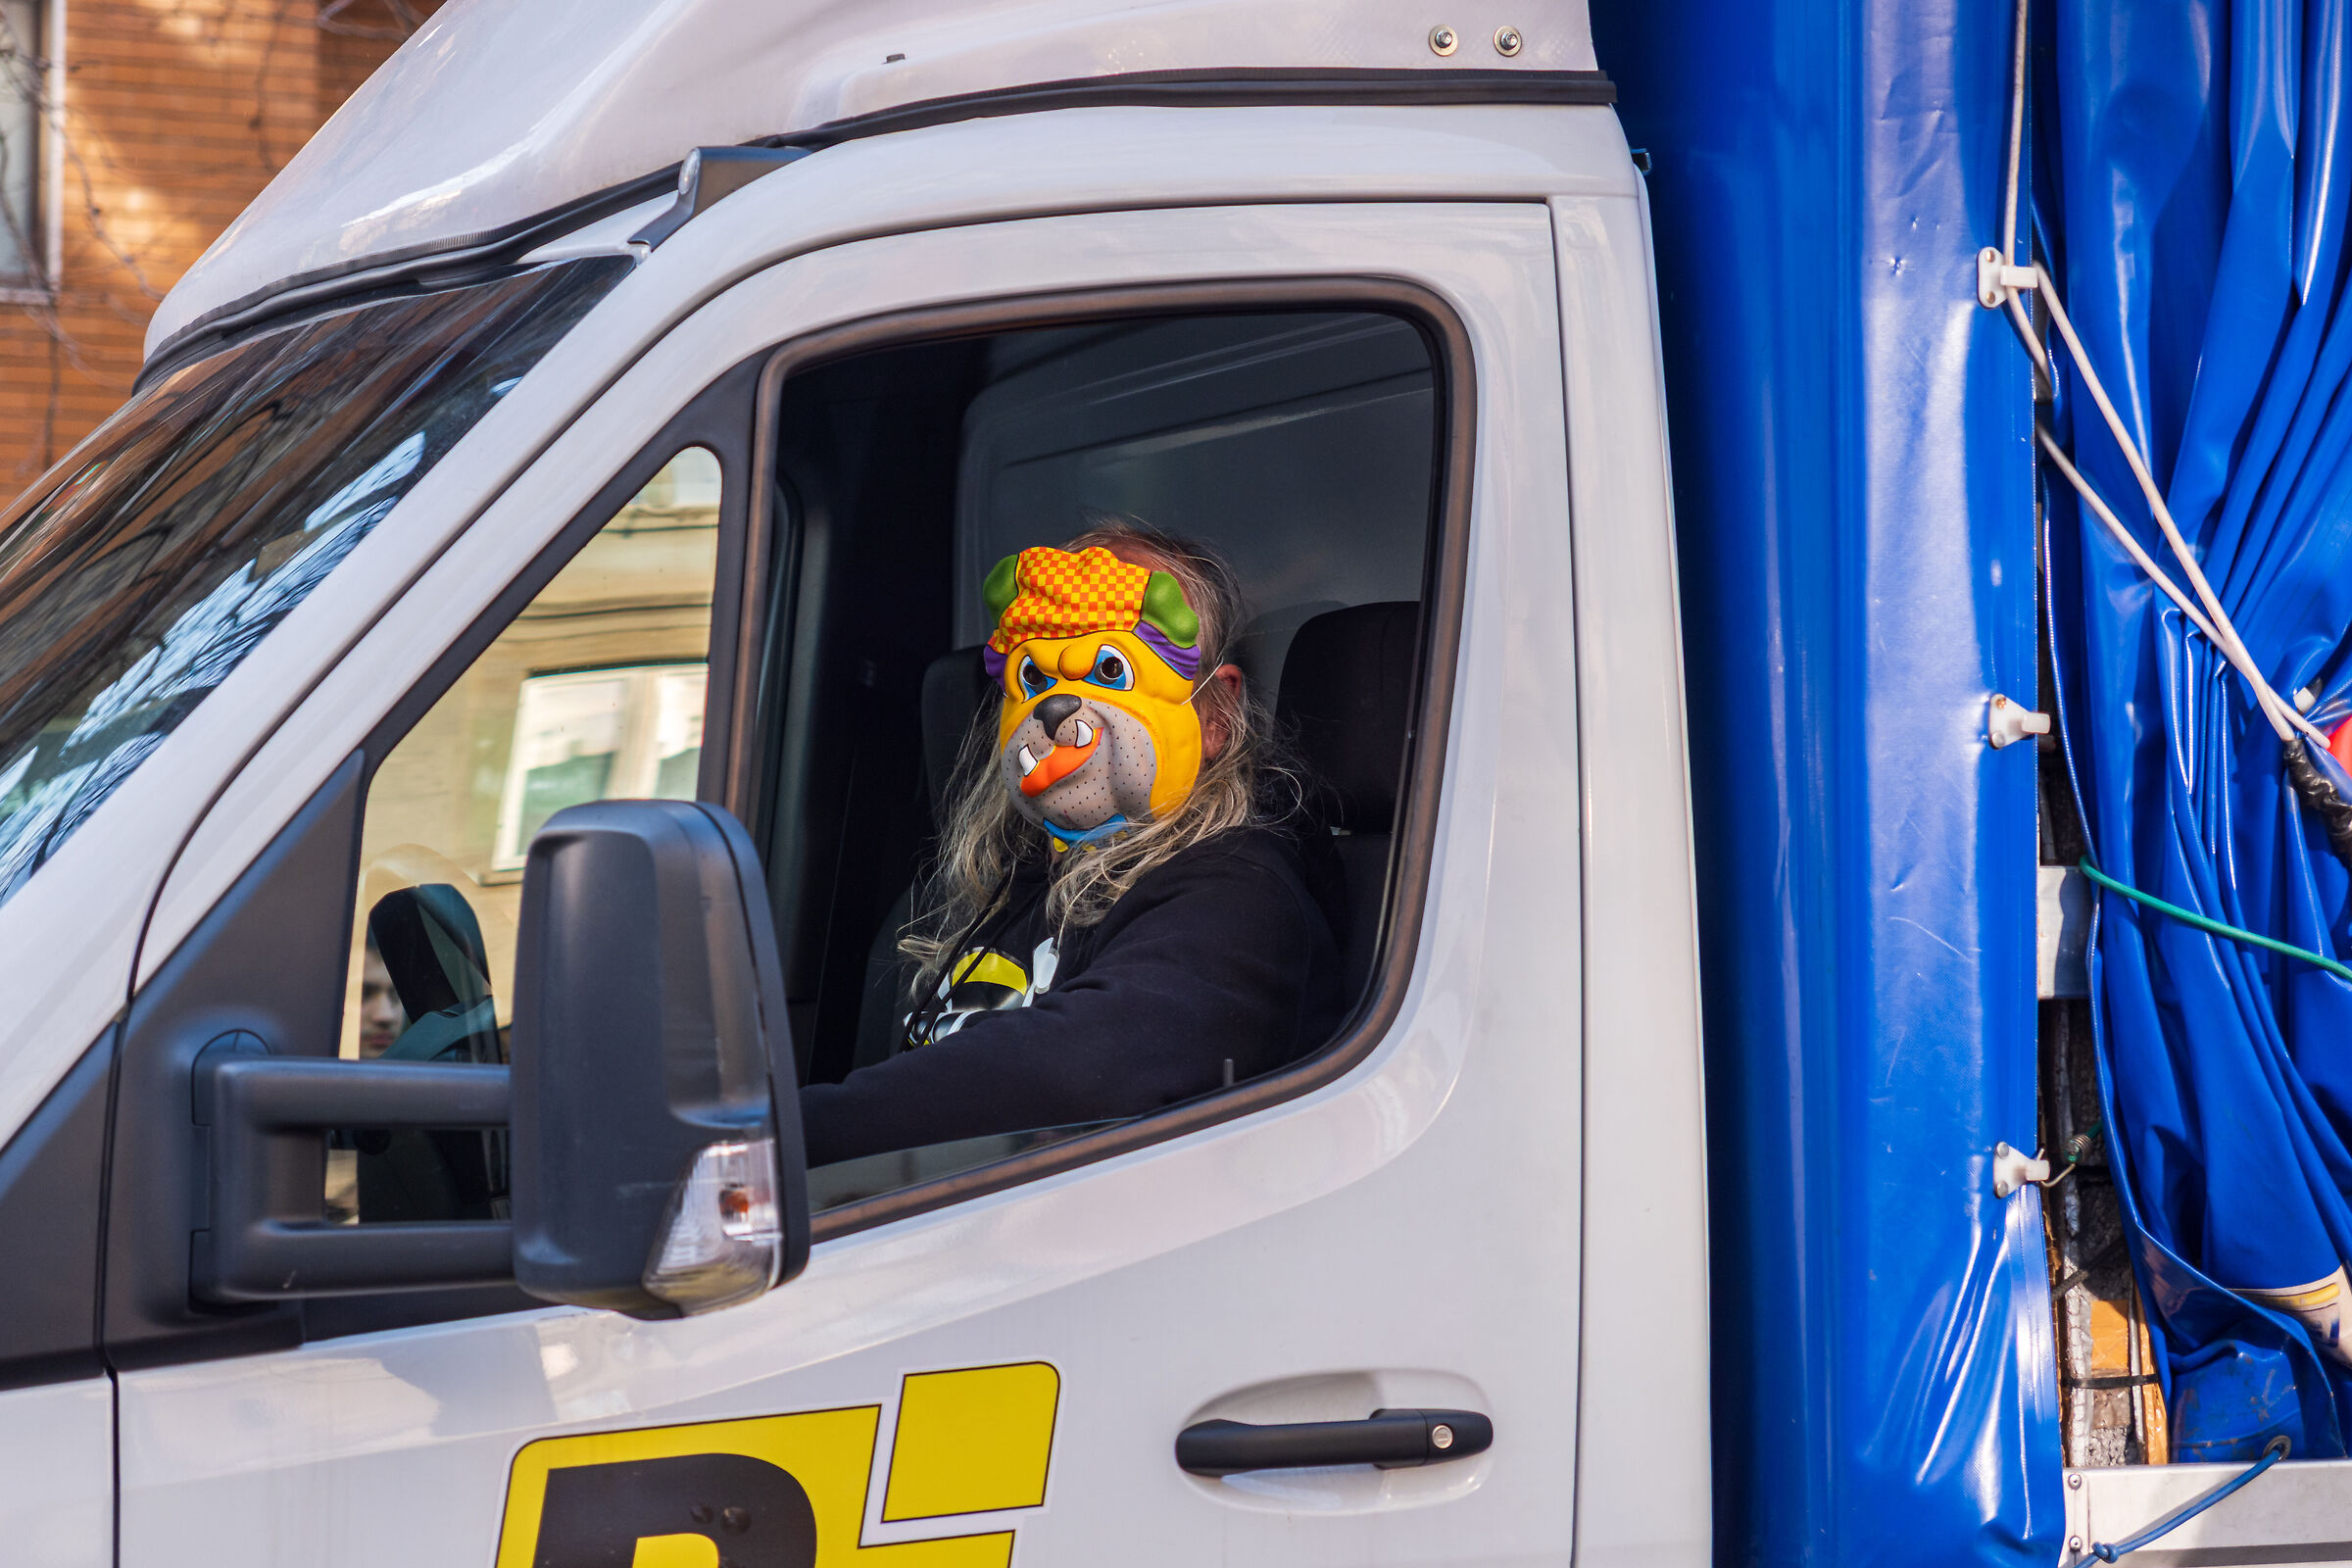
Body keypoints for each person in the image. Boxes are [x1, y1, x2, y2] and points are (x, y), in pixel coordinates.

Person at [800, 522, 1346, 1166]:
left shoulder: (1242, 893)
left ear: (1216, 717)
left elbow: (1088, 1064)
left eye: (1111, 672)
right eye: (1037, 678)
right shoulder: (1015, 879)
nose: (1060, 709)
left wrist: (790, 1134)